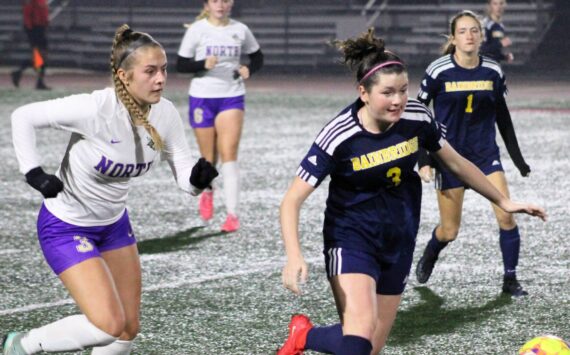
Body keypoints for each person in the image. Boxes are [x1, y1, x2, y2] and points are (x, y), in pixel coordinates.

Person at [276, 28, 545, 355]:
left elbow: (456, 163)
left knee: (370, 346)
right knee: (358, 339)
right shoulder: (339, 135)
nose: (399, 100)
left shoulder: (417, 117)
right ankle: (312, 336)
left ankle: (304, 336)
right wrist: (294, 255)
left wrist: (504, 200)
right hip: (352, 236)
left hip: (399, 235)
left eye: (404, 90)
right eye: (388, 92)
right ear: (363, 92)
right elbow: (291, 200)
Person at [2, 24, 218, 355]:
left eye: (163, 70)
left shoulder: (166, 113)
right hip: (65, 226)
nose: (161, 79)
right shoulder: (95, 109)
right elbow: (23, 116)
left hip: (114, 227)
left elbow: (184, 177)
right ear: (124, 75)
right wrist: (33, 172)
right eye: (150, 71)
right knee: (107, 324)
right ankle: (22, 345)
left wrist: (197, 180)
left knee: (128, 329)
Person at [415, 10, 532, 296]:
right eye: (463, 31)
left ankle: (510, 280)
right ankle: (431, 253)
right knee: (449, 231)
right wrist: (424, 160)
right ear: (453, 38)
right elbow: (419, 116)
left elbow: (502, 117)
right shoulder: (438, 70)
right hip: (449, 159)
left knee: (507, 215)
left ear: (481, 36)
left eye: (474, 31)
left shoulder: (492, 70)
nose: (469, 36)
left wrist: (518, 160)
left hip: (484, 156)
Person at [176, 0, 263, 232]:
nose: (221, 5)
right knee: (208, 157)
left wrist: (248, 69)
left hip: (231, 96)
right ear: (207, 4)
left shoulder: (240, 30)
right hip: (202, 97)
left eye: (225, 0)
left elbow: (257, 57)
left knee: (229, 155)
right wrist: (202, 63)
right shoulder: (197, 30)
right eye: (216, 0)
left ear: (231, 3)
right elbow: (180, 64)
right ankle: (208, 191)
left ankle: (232, 215)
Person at [11, 0, 51, 90]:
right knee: (40, 58)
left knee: (41, 59)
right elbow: (27, 13)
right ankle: (37, 81)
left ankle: (19, 72)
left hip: (41, 29)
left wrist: (46, 23)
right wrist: (31, 30)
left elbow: (43, 13)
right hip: (35, 30)